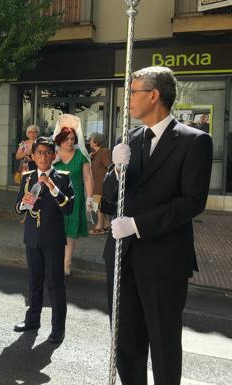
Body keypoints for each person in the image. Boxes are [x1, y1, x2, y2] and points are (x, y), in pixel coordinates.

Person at [105, 66, 212, 385]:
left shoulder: (195, 142)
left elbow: (191, 201)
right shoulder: (130, 139)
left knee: (164, 346)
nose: (129, 100)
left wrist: (138, 224)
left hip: (164, 260)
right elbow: (110, 199)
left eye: (134, 92)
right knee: (126, 344)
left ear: (154, 95)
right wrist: (116, 170)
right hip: (122, 258)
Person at [13, 137, 74, 344]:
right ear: (33, 155)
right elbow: (17, 208)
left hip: (53, 239)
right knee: (34, 281)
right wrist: (23, 203)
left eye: (48, 153)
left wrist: (52, 186)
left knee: (55, 284)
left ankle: (58, 328)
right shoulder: (27, 177)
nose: (43, 157)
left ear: (54, 155)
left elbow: (68, 208)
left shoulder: (63, 177)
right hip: (32, 237)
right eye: (39, 152)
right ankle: (33, 319)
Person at [53, 114, 94, 276]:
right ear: (59, 139)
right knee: (55, 231)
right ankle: (55, 262)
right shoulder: (52, 155)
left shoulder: (80, 156)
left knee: (70, 234)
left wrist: (90, 198)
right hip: (55, 198)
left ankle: (66, 265)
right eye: (66, 139)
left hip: (75, 199)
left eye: (72, 138)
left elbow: (88, 178)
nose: (70, 142)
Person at [88, 133, 112, 235]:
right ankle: (107, 225)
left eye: (91, 140)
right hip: (96, 184)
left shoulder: (104, 152)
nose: (89, 142)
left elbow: (110, 166)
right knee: (100, 206)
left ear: (96, 142)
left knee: (98, 206)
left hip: (101, 184)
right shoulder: (95, 153)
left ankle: (99, 226)